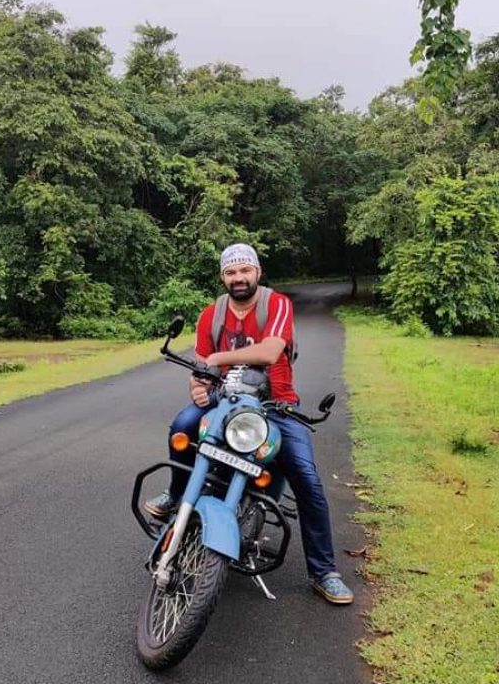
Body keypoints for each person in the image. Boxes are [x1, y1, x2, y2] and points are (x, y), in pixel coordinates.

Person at [144, 243, 354, 605]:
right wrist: (197, 387)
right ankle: (177, 495)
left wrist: (218, 359)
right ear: (222, 277)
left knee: (307, 479)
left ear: (257, 272)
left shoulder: (276, 305)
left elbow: (271, 351)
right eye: (231, 272)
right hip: (224, 399)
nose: (238, 278)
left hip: (278, 405)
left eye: (245, 271)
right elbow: (200, 369)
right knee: (182, 426)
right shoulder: (211, 314)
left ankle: (324, 571)